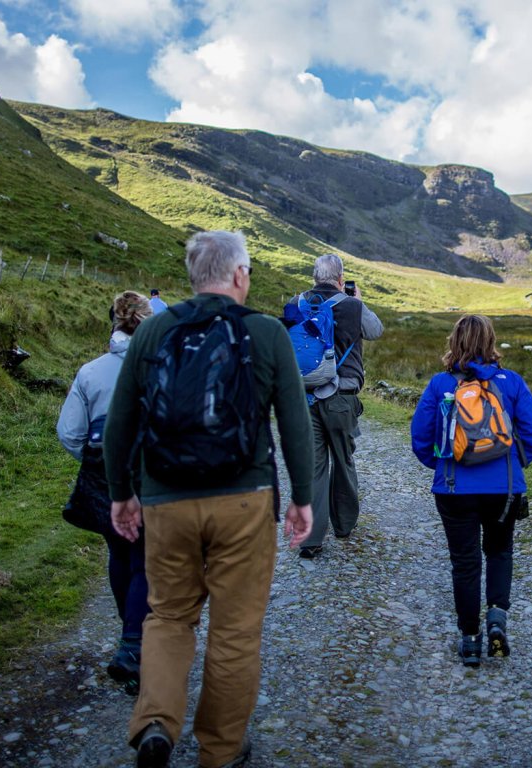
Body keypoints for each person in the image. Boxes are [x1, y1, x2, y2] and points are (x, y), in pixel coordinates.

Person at [104, 230, 315, 768]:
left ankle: (155, 724)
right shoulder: (266, 332)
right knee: (236, 628)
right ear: (240, 275)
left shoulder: (153, 331)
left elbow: (121, 423)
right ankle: (219, 752)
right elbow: (293, 422)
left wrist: (122, 494)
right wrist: (302, 498)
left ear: (194, 276)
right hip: (244, 501)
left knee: (169, 616)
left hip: (165, 502)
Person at [409, 315, 532, 666]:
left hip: (454, 489)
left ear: (455, 342)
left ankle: (470, 639)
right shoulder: (512, 383)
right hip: (505, 489)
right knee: (499, 552)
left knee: (465, 563)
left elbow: (421, 439)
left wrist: (443, 466)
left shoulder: (441, 385)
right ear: (491, 342)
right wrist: (514, 464)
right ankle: (497, 618)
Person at [56, 290, 153, 693]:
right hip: (150, 473)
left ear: (112, 322)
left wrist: (96, 459)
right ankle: (132, 644)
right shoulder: (162, 367)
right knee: (148, 559)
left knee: (119, 552)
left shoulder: (90, 371)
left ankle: (130, 632)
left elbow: (69, 433)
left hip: (104, 475)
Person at [282, 253, 383, 559]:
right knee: (343, 460)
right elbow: (375, 331)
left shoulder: (296, 303)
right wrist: (357, 300)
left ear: (315, 277)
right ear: (341, 278)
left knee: (313, 467)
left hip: (304, 396)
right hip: (342, 397)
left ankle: (311, 540)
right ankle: (343, 525)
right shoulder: (351, 304)